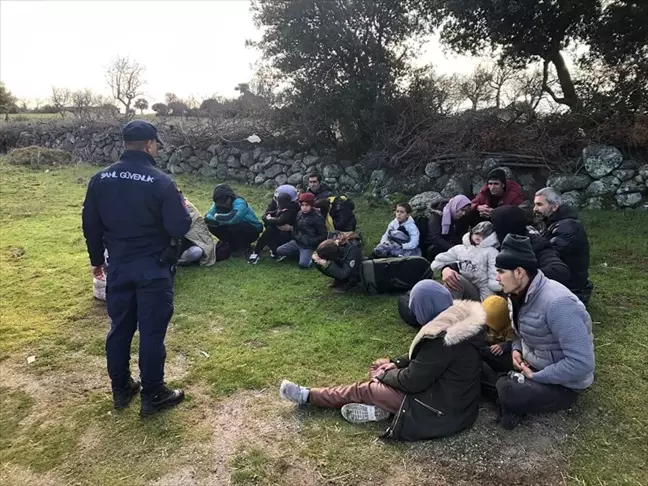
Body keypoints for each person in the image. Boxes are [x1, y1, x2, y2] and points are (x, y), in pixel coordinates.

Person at [81, 120, 190, 416]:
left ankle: (121, 389)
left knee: (119, 329)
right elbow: (180, 225)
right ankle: (153, 394)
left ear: (125, 143)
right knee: (152, 334)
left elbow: (90, 225)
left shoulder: (100, 180)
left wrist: (96, 260)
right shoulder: (161, 182)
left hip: (118, 266)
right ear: (151, 145)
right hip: (153, 269)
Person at [279, 297, 486, 441]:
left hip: (437, 409)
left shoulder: (442, 341)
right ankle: (381, 407)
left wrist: (386, 375)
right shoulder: (457, 324)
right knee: (379, 364)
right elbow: (426, 361)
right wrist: (395, 363)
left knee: (365, 388)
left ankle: (307, 395)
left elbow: (412, 381)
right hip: (446, 399)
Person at [492, 234, 595, 430]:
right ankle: (505, 387)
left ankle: (505, 389)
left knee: (510, 392)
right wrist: (516, 349)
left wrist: (536, 376)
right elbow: (520, 333)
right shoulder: (514, 293)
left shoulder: (558, 304)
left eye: (501, 271)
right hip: (531, 360)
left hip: (561, 381)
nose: (496, 277)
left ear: (519, 272)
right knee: (479, 349)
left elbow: (582, 363)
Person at [534, 187, 593, 305]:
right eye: (535, 204)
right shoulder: (554, 221)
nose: (535, 209)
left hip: (571, 286)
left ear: (554, 206)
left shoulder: (567, 227)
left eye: (540, 204)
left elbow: (548, 254)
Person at [488, 205, 572, 287]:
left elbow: (560, 271)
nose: (493, 232)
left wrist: (522, 276)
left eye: (495, 227)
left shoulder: (535, 244)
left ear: (504, 229)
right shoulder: (494, 244)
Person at [431, 221, 501, 301]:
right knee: (455, 279)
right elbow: (444, 258)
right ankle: (449, 308)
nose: (479, 237)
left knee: (488, 304)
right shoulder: (461, 248)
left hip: (483, 285)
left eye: (484, 235)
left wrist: (495, 284)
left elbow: (494, 269)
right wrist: (442, 266)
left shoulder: (491, 251)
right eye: (477, 233)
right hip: (464, 281)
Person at [204, 184, 263, 256]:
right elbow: (207, 217)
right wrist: (214, 220)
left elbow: (232, 218)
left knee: (234, 226)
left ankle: (245, 247)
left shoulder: (240, 202)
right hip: (232, 229)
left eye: (224, 201)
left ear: (229, 197)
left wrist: (216, 217)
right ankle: (230, 244)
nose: (222, 204)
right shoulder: (217, 204)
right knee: (211, 225)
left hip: (252, 230)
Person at [275, 192, 327, 268]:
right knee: (279, 250)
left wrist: (310, 241)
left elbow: (323, 235)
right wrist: (294, 233)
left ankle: (312, 255)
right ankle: (300, 254)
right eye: (302, 205)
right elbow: (296, 227)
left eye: (307, 205)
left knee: (303, 264)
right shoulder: (299, 214)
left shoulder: (318, 217)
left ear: (311, 205)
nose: (304, 208)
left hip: (309, 246)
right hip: (297, 242)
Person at [248, 192, 300, 264]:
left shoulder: (291, 211)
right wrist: (268, 218)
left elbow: (280, 221)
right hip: (278, 232)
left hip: (287, 235)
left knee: (270, 229)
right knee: (270, 229)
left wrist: (269, 219)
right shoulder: (282, 208)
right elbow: (267, 214)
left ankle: (258, 252)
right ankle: (259, 251)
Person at [423, 195, 477, 261]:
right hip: (437, 246)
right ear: (456, 206)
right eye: (462, 210)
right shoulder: (436, 216)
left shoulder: (461, 216)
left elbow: (461, 233)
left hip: (453, 244)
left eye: (465, 211)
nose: (463, 213)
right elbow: (435, 238)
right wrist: (453, 248)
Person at [479, 295, 516, 372]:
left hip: (503, 354)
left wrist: (503, 346)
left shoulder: (510, 328)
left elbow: (514, 342)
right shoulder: (483, 325)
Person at [177, 197, 216, 267]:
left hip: (188, 245)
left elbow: (200, 231)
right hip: (172, 243)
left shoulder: (189, 208)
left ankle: (178, 261)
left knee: (196, 252)